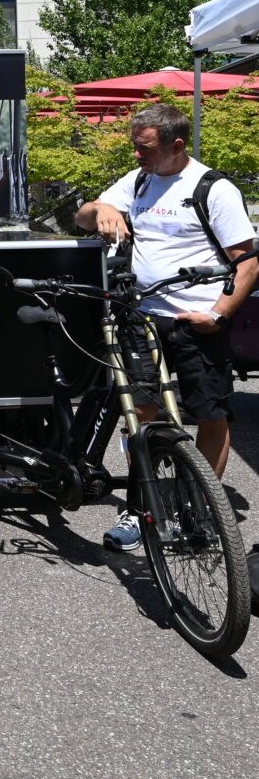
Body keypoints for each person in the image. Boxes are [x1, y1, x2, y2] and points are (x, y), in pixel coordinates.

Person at [74, 102, 258, 552]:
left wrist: (218, 315)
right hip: (143, 318)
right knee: (142, 413)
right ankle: (140, 508)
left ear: (177, 146)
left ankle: (201, 503)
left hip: (198, 322)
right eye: (135, 147)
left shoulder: (213, 189)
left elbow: (248, 262)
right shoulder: (139, 179)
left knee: (210, 413)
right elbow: (80, 215)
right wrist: (99, 210)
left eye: (145, 148)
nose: (138, 155)